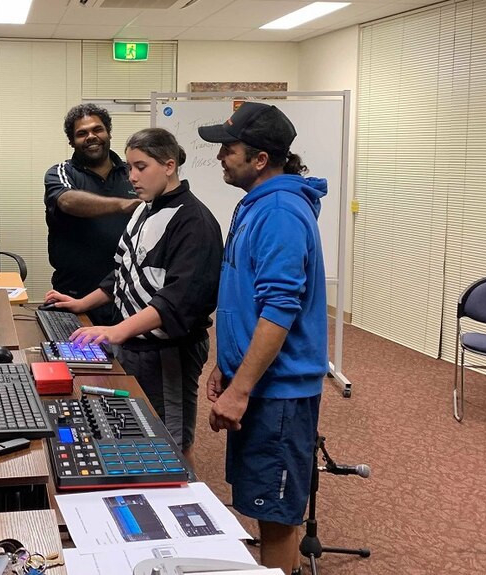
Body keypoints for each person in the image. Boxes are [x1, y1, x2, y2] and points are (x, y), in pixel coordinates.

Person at [198, 102, 328, 575]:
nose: (220, 157)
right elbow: (247, 302)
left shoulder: (278, 212)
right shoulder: (256, 204)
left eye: (228, 149)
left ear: (259, 159)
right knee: (262, 504)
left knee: (275, 515)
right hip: (259, 382)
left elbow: (279, 309)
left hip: (278, 393)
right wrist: (227, 363)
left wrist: (241, 388)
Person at [43, 128, 223, 460]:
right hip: (135, 345)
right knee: (139, 429)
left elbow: (178, 300)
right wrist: (83, 303)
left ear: (169, 166)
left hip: (168, 351)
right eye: (129, 167)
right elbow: (123, 271)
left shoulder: (193, 222)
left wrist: (116, 331)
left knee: (171, 441)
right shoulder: (143, 208)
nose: (132, 176)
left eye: (141, 167)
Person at [44, 103, 141, 326]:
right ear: (72, 141)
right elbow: (67, 201)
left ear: (108, 133)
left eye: (97, 129)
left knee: (124, 359)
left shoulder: (133, 172)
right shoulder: (61, 172)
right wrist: (123, 205)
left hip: (126, 292)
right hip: (74, 293)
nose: (91, 136)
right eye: (82, 133)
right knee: (75, 357)